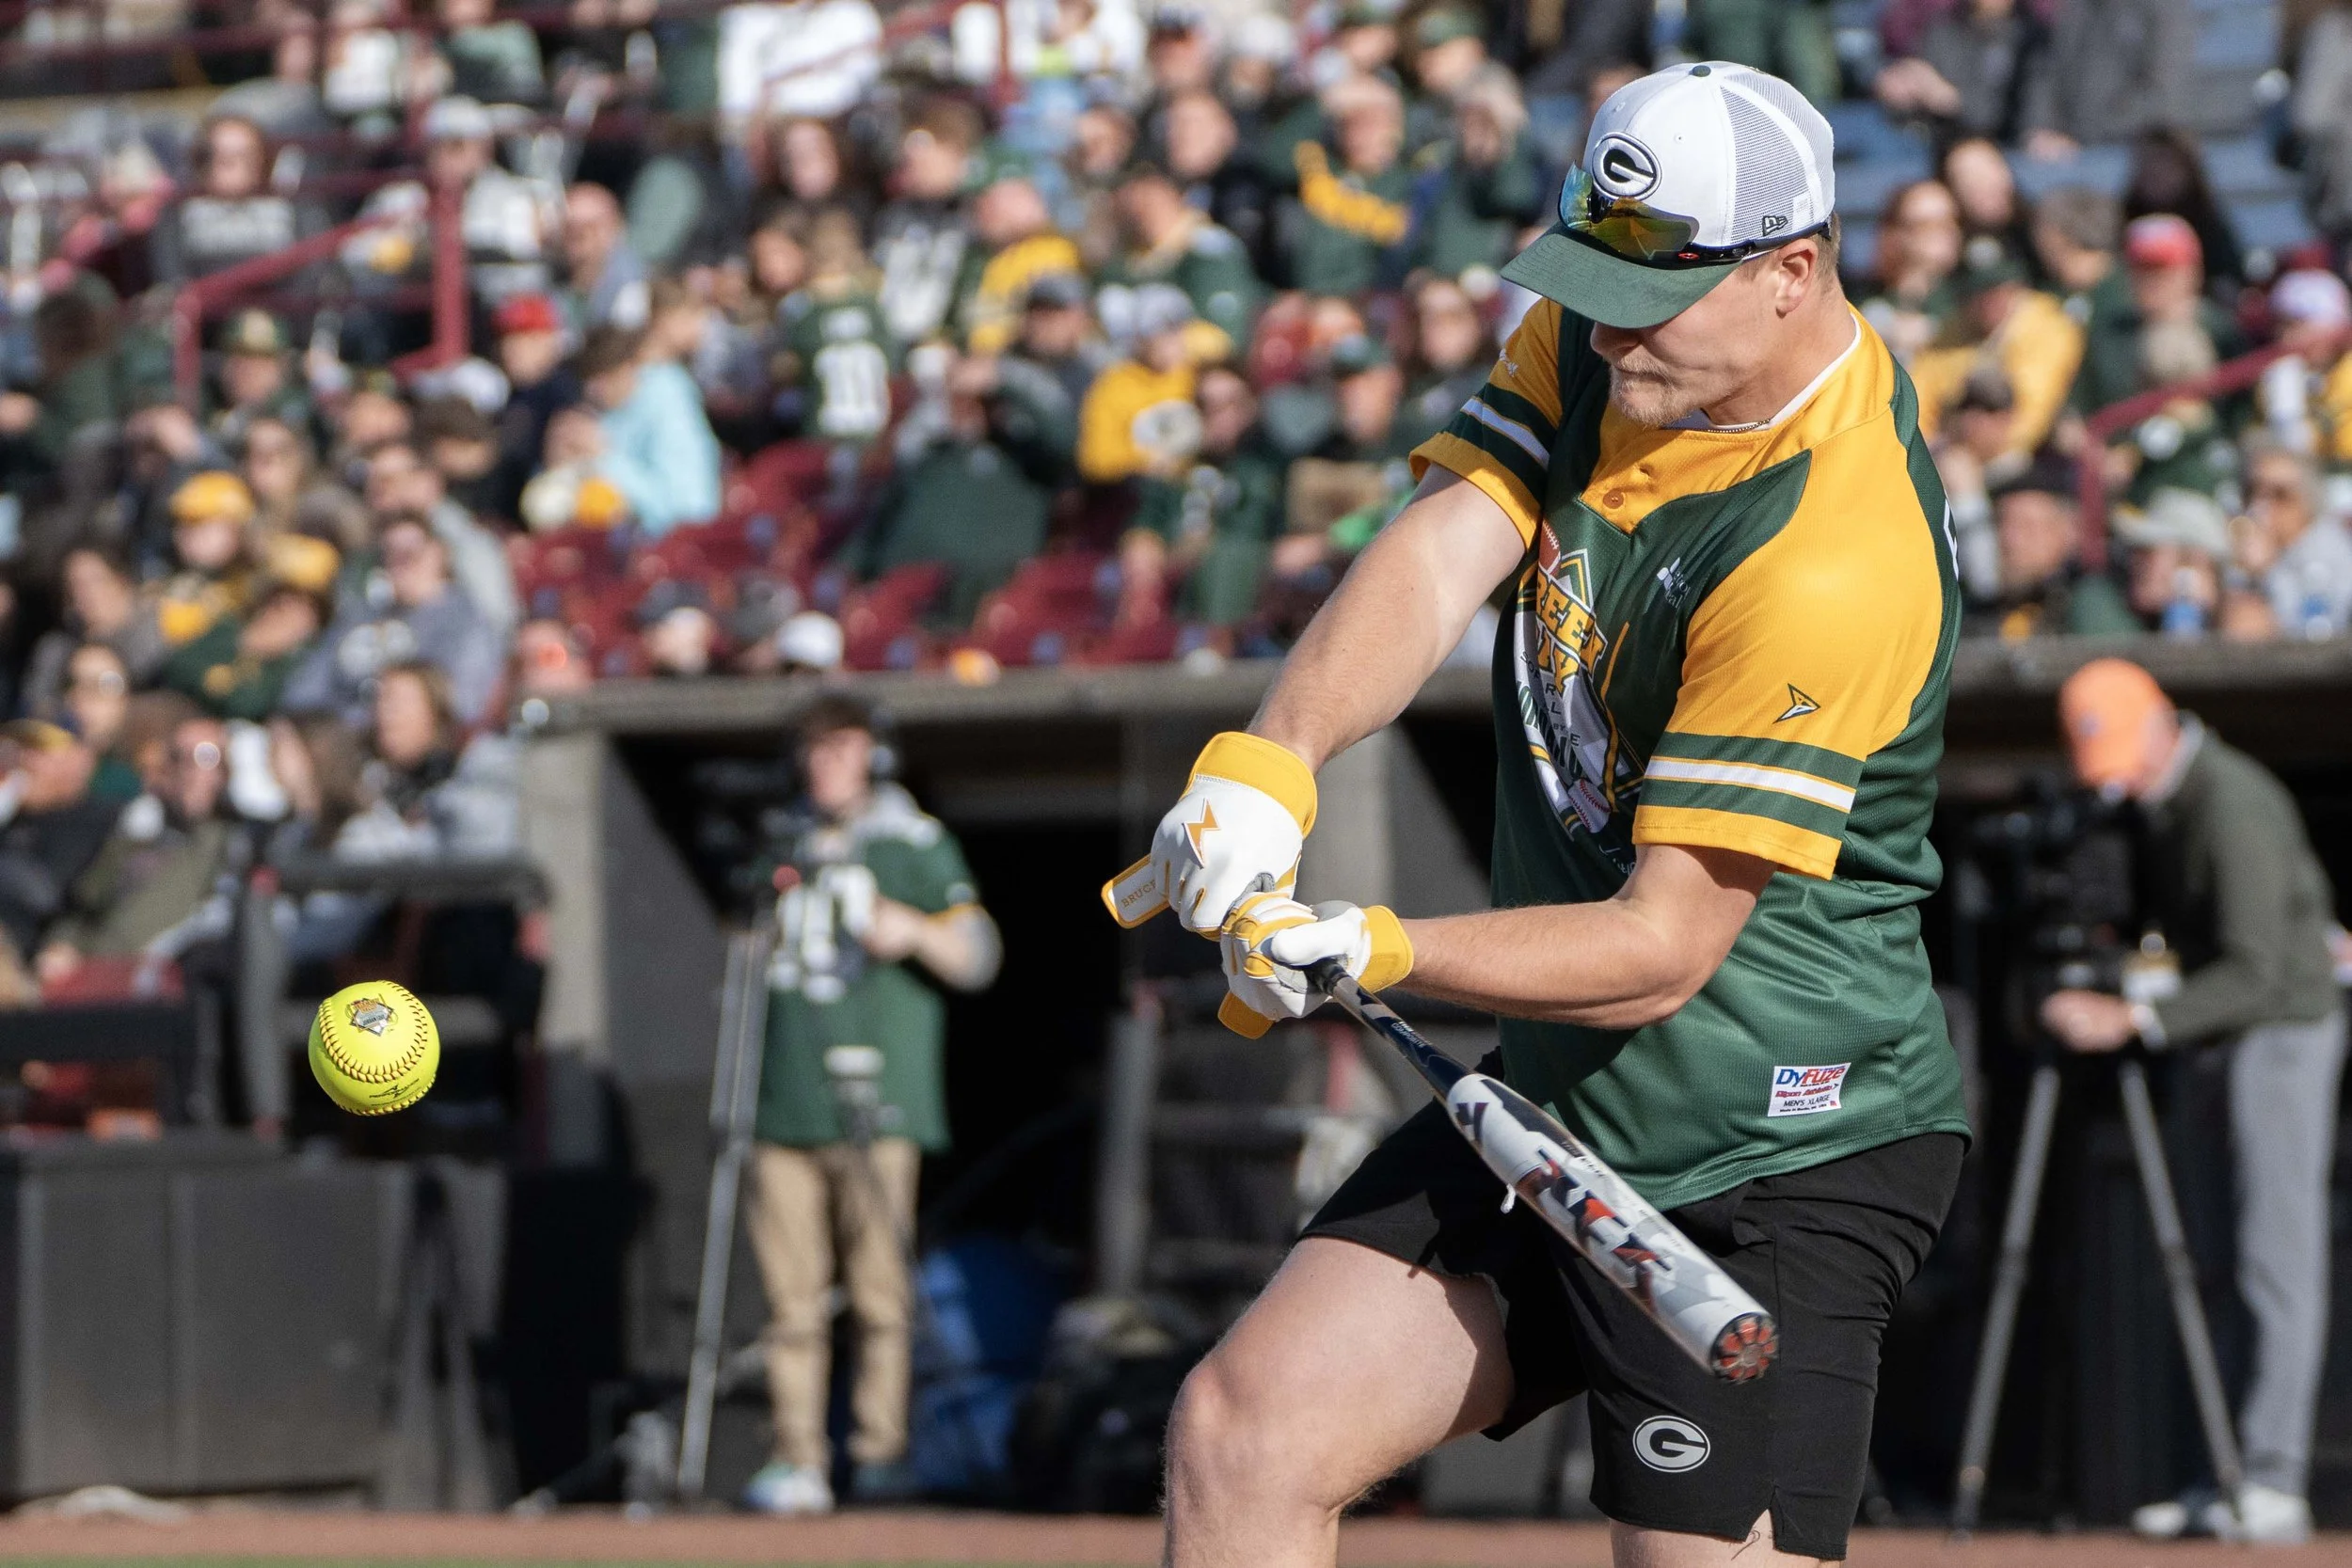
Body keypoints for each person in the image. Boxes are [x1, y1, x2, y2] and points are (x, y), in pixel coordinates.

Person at [1128, 64, 1968, 1568]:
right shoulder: (1619, 337)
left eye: (1646, 294)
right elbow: (1454, 536)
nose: (1605, 324)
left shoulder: (1835, 555)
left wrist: (1370, 948)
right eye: (1589, 279)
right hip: (1573, 1094)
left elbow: (1658, 947)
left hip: (1773, 1137)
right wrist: (1273, 761)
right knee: (1242, 1430)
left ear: (1791, 271)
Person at [2041, 659, 2344, 1545]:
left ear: (2163, 725)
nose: (2120, 782)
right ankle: (2223, 1469)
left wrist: (2132, 1012)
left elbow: (2257, 968)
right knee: (2208, 1257)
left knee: (2272, 1260)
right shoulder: (2156, 802)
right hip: (2215, 1039)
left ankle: (2275, 1476)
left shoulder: (2231, 798)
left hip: (2283, 1029)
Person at [741, 696, 1001, 1516]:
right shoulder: (779, 840)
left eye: (843, 747)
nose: (826, 765)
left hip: (882, 1099)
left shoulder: (913, 840)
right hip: (785, 1098)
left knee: (882, 1293)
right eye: (814, 749)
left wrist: (913, 931)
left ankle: (882, 1451)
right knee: (792, 1301)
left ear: (876, 756)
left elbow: (979, 954)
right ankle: (799, 1456)